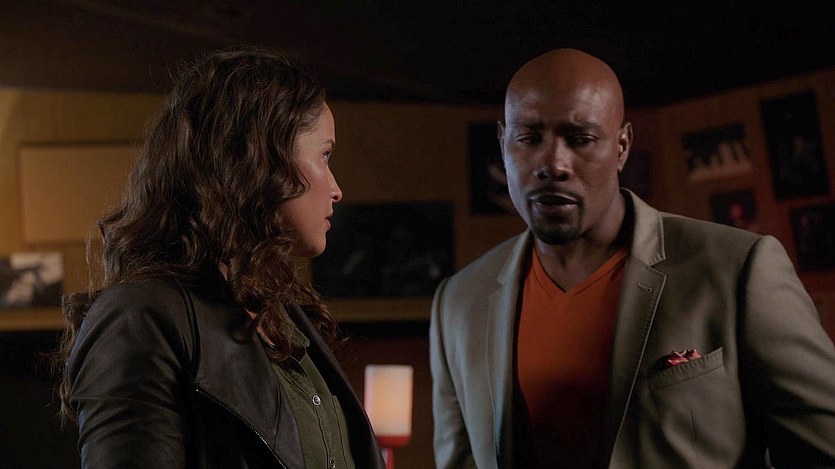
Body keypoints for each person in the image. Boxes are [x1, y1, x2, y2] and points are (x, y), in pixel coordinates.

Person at [429, 48, 835, 468]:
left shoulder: (737, 269)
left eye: (580, 139)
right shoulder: (458, 302)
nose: (553, 164)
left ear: (621, 147)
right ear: (503, 144)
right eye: (529, 138)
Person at [54, 45, 385, 469]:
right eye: (325, 155)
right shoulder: (140, 316)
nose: (336, 189)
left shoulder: (279, 313)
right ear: (259, 158)